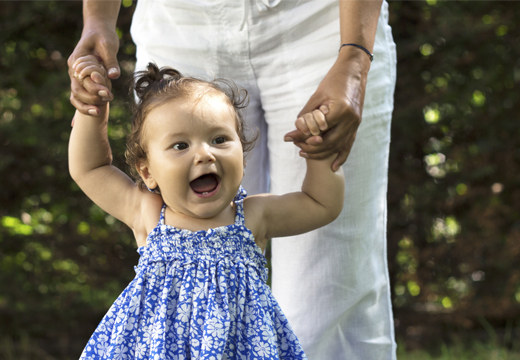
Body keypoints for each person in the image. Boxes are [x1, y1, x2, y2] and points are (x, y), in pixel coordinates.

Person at [68, 0, 397, 359]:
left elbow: (322, 205)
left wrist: (319, 156)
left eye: (220, 140)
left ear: (242, 149)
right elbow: (91, 169)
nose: (204, 154)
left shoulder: (253, 216)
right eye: (180, 145)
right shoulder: (147, 212)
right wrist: (92, 113)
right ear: (147, 171)